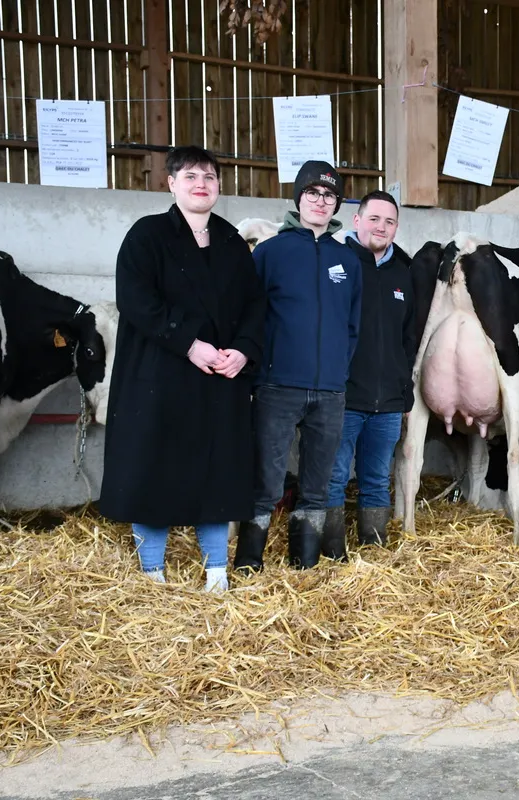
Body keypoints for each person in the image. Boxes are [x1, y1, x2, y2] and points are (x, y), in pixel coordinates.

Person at [98, 145, 265, 593]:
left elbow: (255, 307)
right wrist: (189, 344)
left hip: (219, 381)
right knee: (156, 468)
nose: (200, 184)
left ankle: (215, 572)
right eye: (190, 176)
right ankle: (152, 571)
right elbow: (136, 300)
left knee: (219, 471)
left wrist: (244, 352)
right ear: (171, 184)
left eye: (209, 177)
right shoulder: (147, 236)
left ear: (218, 187)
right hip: (160, 377)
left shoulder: (232, 242)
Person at [232, 160, 363, 572]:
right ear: (298, 199)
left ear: (337, 204)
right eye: (313, 193)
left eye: (329, 196)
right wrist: (259, 372)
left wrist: (338, 373)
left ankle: (303, 565)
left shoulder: (349, 260)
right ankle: (249, 564)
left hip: (330, 391)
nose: (321, 201)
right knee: (266, 482)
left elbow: (352, 325)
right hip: (278, 385)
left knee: (317, 485)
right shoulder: (271, 252)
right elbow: (248, 318)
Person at [322, 190, 416, 557]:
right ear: (357, 220)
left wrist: (404, 393)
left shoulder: (403, 273)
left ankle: (373, 552)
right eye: (374, 219)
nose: (382, 227)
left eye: (389, 221)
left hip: (388, 402)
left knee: (377, 479)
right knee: (334, 477)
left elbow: (408, 339)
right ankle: (331, 553)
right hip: (342, 397)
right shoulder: (336, 261)